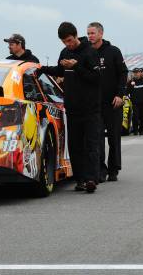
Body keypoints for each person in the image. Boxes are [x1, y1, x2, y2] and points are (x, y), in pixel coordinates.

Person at [38, 22, 101, 193]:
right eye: (64, 42)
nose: (68, 44)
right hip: (72, 108)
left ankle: (91, 179)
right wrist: (41, 69)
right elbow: (59, 70)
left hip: (90, 108)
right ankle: (80, 179)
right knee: (74, 145)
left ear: (75, 36)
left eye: (70, 40)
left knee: (91, 145)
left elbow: (96, 78)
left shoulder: (90, 52)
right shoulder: (65, 52)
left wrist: (76, 66)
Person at [87, 22, 127, 182]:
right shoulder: (86, 53)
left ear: (101, 34)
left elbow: (123, 74)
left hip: (113, 103)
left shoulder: (113, 51)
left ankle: (113, 169)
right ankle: (100, 170)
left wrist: (120, 95)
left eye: (93, 33)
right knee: (96, 138)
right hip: (94, 104)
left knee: (113, 137)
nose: (90, 36)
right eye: (88, 33)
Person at [127, 68, 143, 135]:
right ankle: (135, 130)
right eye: (134, 73)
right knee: (135, 116)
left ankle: (141, 130)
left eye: (137, 72)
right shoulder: (131, 82)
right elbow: (127, 91)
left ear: (140, 73)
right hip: (135, 103)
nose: (136, 74)